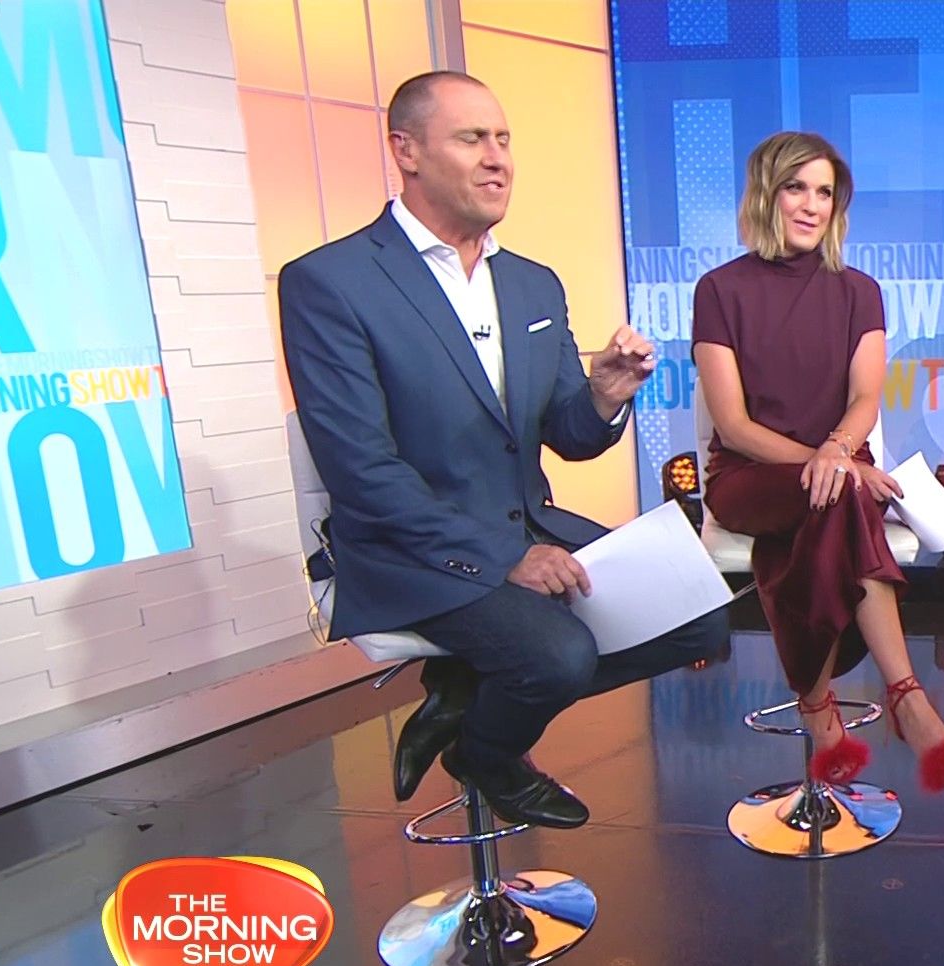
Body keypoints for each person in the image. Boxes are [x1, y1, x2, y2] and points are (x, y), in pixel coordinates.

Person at [280, 71, 728, 829]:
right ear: (406, 151)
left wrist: (604, 396)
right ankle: (486, 753)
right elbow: (361, 471)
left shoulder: (531, 284)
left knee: (698, 618)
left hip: (526, 522)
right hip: (407, 549)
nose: (497, 159)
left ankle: (465, 693)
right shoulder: (331, 282)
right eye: (471, 139)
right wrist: (505, 558)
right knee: (556, 655)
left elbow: (571, 437)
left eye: (503, 139)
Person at [692, 132, 944, 792]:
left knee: (834, 504)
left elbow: (864, 398)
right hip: (750, 474)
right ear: (766, 195)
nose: (812, 205)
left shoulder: (859, 291)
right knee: (841, 496)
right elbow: (734, 426)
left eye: (824, 192)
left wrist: (839, 454)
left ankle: (821, 705)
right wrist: (833, 463)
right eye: (796, 188)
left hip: (841, 466)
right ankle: (907, 700)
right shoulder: (719, 289)